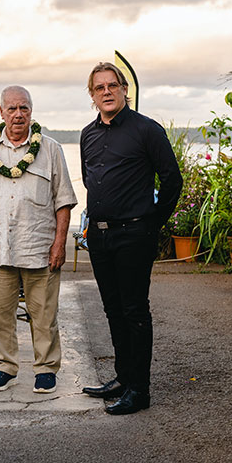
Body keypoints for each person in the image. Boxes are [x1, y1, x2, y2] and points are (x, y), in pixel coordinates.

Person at [79, 61, 183, 414]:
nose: (106, 92)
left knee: (135, 311)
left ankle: (139, 390)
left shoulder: (147, 130)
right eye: (99, 88)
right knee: (112, 310)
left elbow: (172, 181)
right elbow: (90, 179)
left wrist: (152, 224)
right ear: (92, 96)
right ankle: (123, 378)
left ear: (125, 90)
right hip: (99, 235)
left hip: (134, 233)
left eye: (112, 86)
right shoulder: (87, 135)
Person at [0, 85, 77, 393]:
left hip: (39, 247)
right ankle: (5, 367)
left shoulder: (50, 149)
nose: (18, 114)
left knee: (44, 316)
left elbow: (63, 200)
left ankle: (46, 368)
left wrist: (59, 243)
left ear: (31, 112)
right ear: (1, 113)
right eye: (11, 109)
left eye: (23, 108)